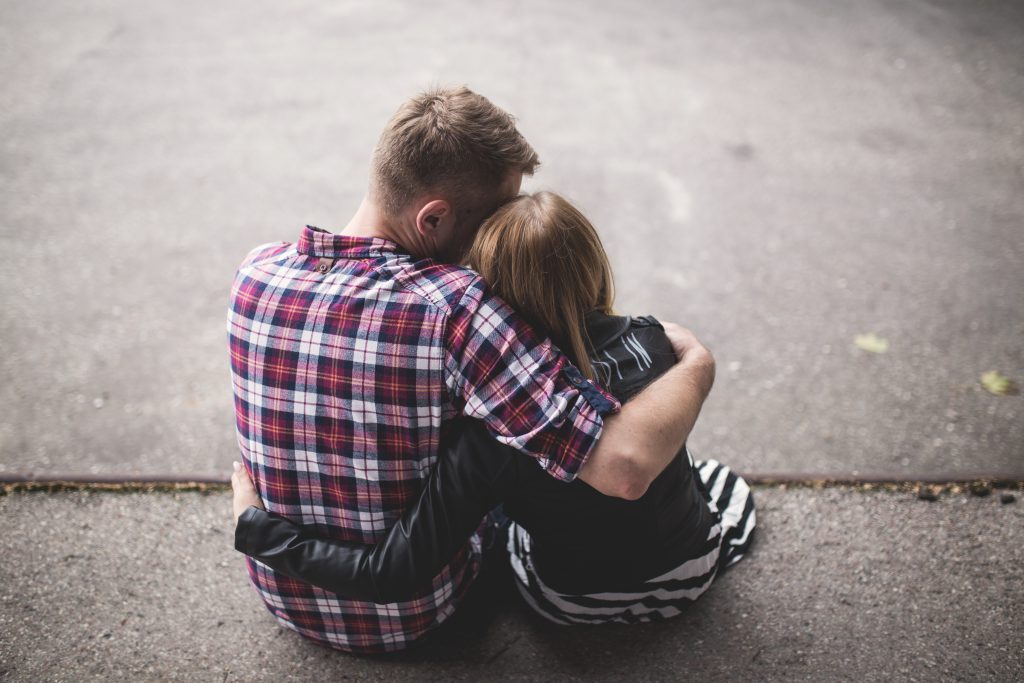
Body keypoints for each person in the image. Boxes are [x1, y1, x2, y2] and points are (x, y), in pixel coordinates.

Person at [227, 87, 716, 653]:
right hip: (420, 620)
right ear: (433, 217)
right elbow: (619, 466)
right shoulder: (457, 308)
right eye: (490, 220)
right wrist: (698, 365)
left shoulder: (255, 271)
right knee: (516, 463)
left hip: (283, 594)